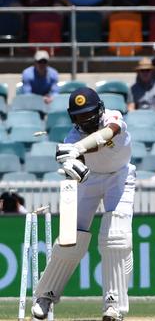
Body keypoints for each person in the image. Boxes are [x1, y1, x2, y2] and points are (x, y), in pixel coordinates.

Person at [32, 87, 136, 321]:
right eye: (79, 116)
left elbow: (108, 134)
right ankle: (45, 295)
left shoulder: (113, 117)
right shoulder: (71, 137)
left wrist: (77, 149)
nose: (84, 120)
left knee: (116, 237)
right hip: (90, 180)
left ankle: (113, 305)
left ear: (98, 110)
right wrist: (71, 165)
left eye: (88, 114)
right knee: (71, 237)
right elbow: (73, 168)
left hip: (119, 178)